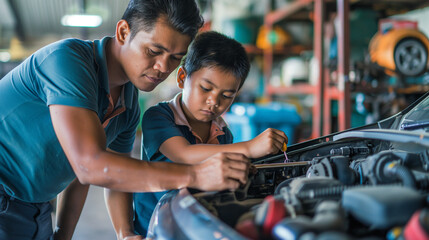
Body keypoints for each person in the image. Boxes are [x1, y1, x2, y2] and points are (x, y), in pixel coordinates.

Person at [0, 1, 251, 239]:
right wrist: (195, 175)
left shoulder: (128, 103)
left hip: (35, 207)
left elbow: (104, 172)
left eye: (175, 58)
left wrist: (124, 233)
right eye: (154, 51)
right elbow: (90, 165)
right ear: (122, 32)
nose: (163, 67)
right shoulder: (67, 62)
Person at [108, 31, 289, 237]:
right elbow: (183, 154)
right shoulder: (159, 117)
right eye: (205, 88)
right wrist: (249, 148)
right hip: (155, 228)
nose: (214, 101)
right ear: (182, 77)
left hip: (197, 224)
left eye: (227, 95)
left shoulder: (223, 134)